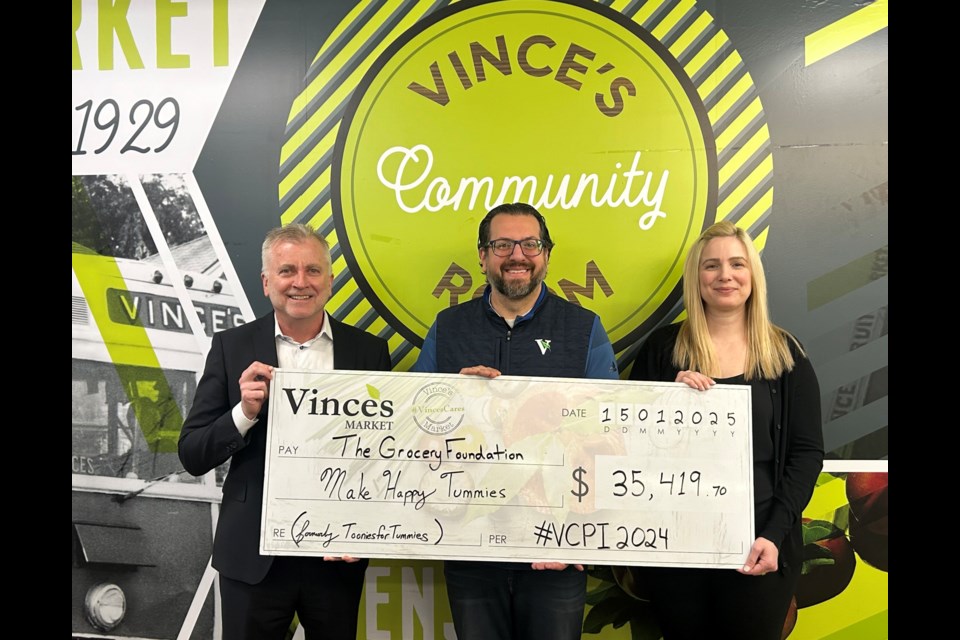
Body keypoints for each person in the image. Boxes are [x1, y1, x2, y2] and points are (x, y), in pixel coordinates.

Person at [412, 202, 619, 640]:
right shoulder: (448, 327)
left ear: (546, 254)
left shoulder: (584, 328)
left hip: (557, 550)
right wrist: (452, 397)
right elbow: (414, 425)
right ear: (483, 255)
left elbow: (608, 435)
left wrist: (582, 534)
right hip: (471, 545)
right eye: (502, 244)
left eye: (530, 244)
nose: (517, 255)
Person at [178, 223, 392, 640]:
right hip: (252, 557)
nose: (300, 282)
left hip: (335, 555)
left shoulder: (368, 352)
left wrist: (366, 525)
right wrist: (244, 412)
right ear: (266, 282)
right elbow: (192, 454)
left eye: (313, 271)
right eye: (287, 271)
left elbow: (385, 454)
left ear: (330, 281)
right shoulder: (231, 347)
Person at [627, 220, 824, 639]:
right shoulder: (664, 351)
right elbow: (628, 444)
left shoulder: (786, 355)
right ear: (696, 278)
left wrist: (773, 534)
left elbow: (805, 454)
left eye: (737, 264)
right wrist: (665, 400)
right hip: (678, 547)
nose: (725, 276)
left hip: (758, 545)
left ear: (753, 275)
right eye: (711, 266)